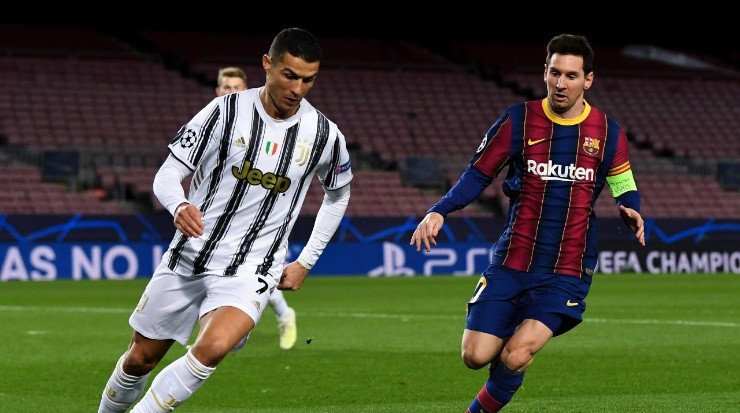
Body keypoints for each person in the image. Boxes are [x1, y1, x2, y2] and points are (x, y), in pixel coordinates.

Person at [97, 27, 352, 413]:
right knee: (139, 360)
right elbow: (168, 173)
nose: (297, 88)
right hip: (189, 258)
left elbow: (338, 195)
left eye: (308, 80)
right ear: (267, 64)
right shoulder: (224, 112)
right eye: (289, 75)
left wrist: (306, 260)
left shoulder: (324, 135)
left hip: (253, 268)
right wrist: (179, 206)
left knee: (212, 348)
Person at [410, 33, 645, 412]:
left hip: (567, 267)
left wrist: (630, 206)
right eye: (555, 73)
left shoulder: (608, 132)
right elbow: (478, 173)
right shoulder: (518, 120)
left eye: (571, 75)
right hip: (512, 260)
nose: (561, 83)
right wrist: (440, 209)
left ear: (588, 80)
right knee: (474, 355)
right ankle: (502, 376)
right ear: (545, 73)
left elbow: (623, 182)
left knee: (517, 353)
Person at [213, 65, 299, 351]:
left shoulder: (261, 124)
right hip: (220, 218)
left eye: (237, 88)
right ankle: (218, 336)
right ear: (218, 91)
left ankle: (280, 317)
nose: (231, 93)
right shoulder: (212, 123)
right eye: (227, 88)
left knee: (254, 274)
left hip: (255, 218)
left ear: (246, 91)